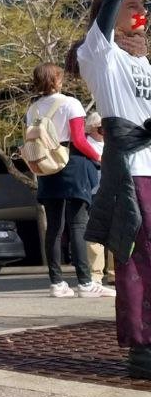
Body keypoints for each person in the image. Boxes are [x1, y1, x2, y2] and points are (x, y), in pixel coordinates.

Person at [71, 0, 150, 378]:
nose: (142, 12)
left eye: (145, 5)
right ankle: (142, 345)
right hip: (131, 169)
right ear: (113, 12)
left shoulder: (143, 60)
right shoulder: (99, 53)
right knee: (137, 255)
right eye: (133, 4)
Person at [26, 62, 111, 298]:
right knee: (77, 224)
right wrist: (99, 158)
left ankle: (57, 282)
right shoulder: (70, 104)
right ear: (57, 80)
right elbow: (79, 140)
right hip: (72, 164)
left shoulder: (33, 109)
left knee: (53, 226)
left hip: (46, 166)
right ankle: (85, 282)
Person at [83, 113, 116, 286]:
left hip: (114, 191)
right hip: (94, 193)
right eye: (100, 128)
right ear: (92, 129)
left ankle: (113, 273)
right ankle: (95, 274)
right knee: (95, 235)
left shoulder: (113, 143)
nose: (104, 131)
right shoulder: (87, 145)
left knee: (114, 233)